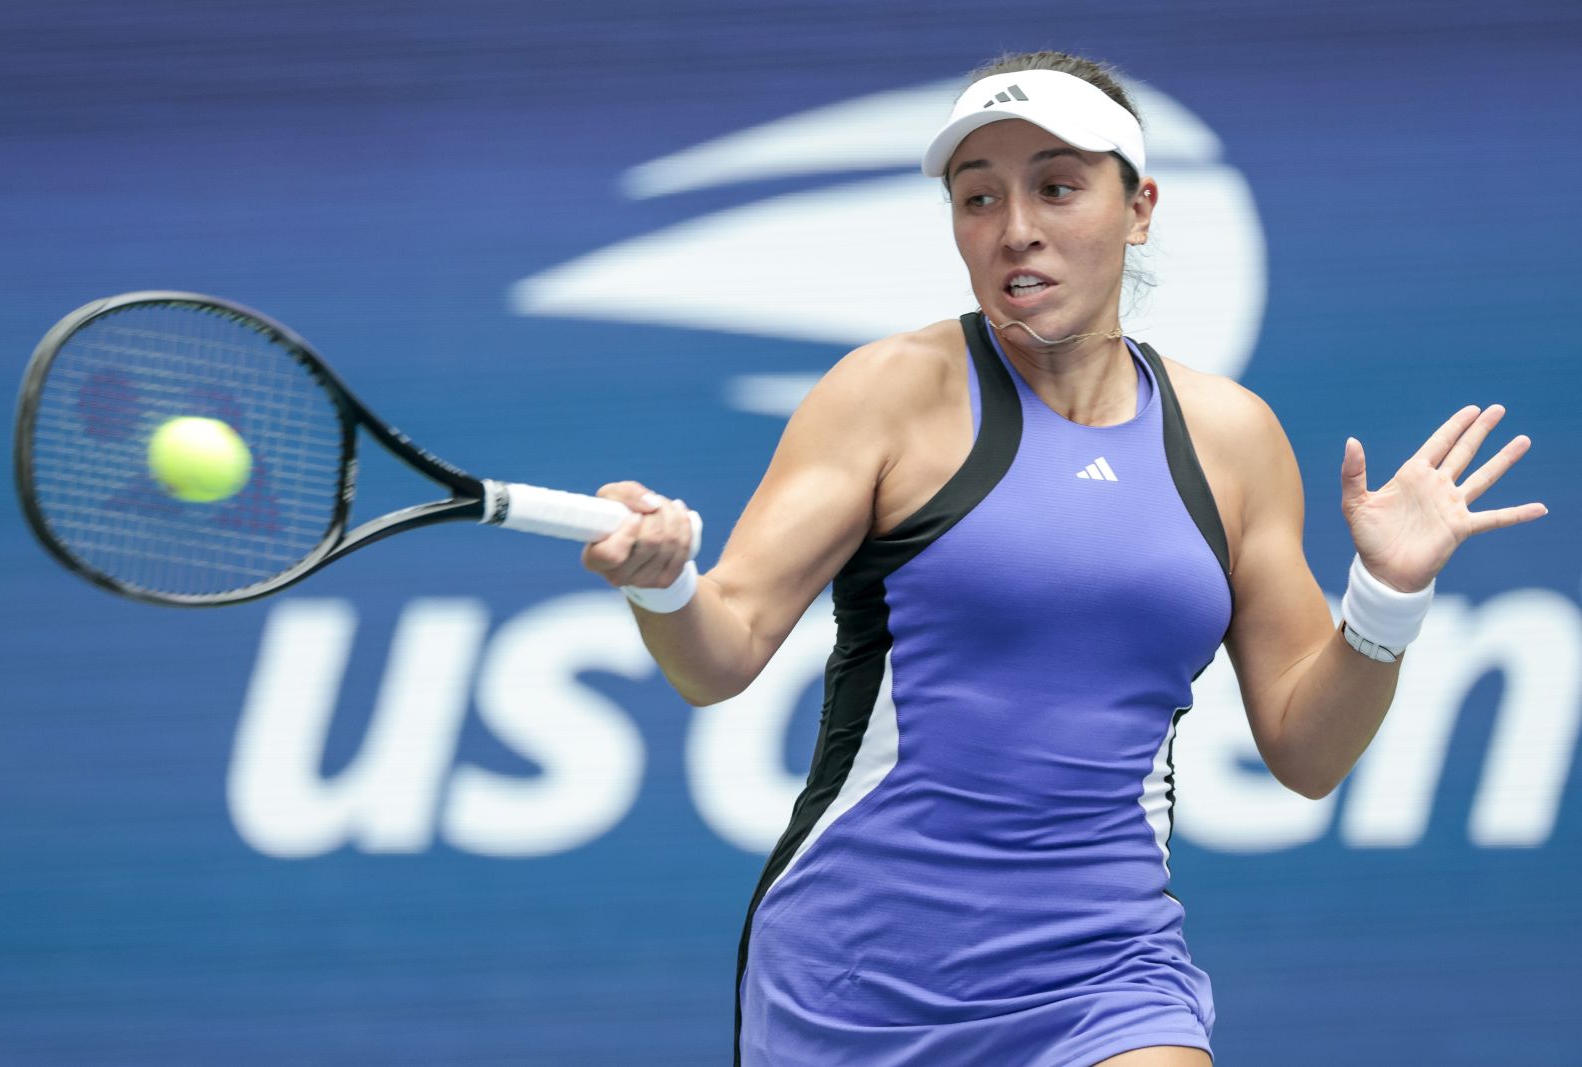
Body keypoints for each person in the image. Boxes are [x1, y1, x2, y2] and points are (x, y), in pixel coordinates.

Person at [581, 50, 1547, 1067]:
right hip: (855, 978)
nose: (1015, 228)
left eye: (1055, 186)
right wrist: (667, 584)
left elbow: (1307, 752)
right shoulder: (885, 394)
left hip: (1109, 974)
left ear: (1138, 210)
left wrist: (1387, 595)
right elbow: (719, 651)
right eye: (977, 196)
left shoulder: (1230, 437)